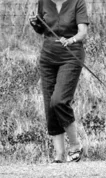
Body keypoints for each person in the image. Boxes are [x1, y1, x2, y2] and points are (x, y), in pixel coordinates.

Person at [29, 0, 89, 163]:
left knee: (59, 101)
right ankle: (59, 155)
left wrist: (71, 40)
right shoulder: (43, 2)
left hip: (71, 56)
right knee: (50, 105)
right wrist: (35, 24)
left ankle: (75, 146)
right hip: (48, 58)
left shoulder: (77, 3)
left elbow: (82, 32)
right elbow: (42, 29)